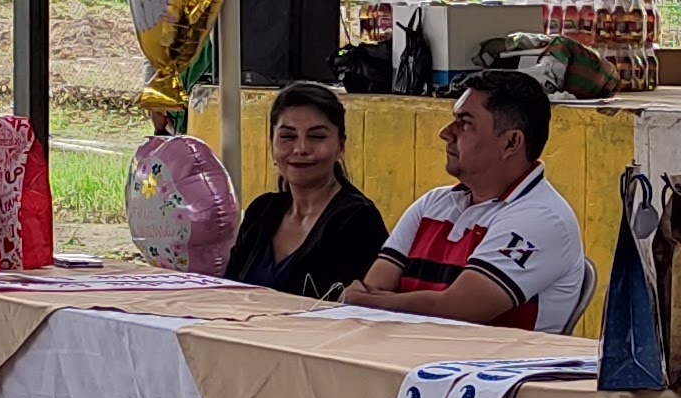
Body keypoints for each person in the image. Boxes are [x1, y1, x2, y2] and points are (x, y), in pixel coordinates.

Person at [338, 68, 587, 332]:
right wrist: (372, 301)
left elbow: (458, 310)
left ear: (511, 143)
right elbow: (374, 285)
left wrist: (370, 302)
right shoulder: (433, 204)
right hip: (415, 352)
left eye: (465, 123)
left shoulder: (542, 218)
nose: (445, 133)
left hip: (493, 359)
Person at [226, 80, 391, 297]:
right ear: (271, 143)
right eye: (288, 136)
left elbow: (354, 309)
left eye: (317, 137)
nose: (301, 148)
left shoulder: (358, 220)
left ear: (340, 145)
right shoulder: (261, 212)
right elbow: (227, 293)